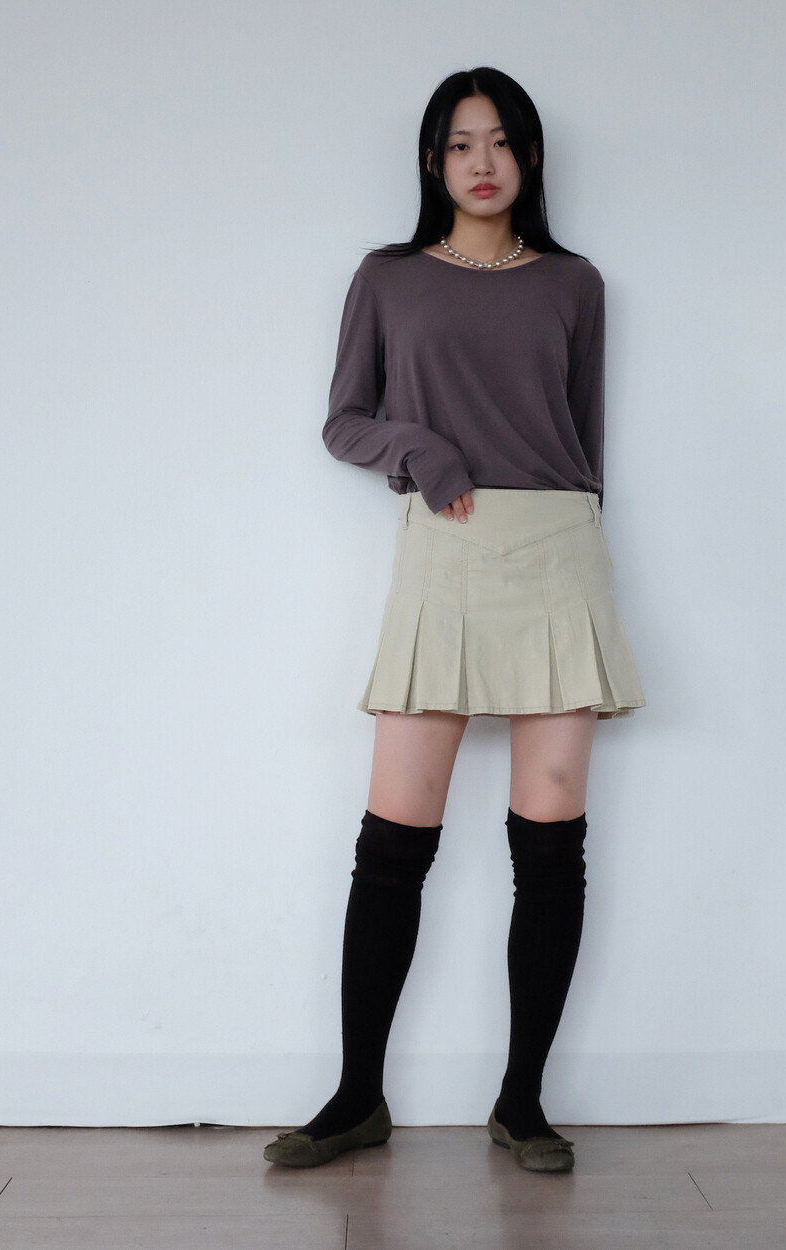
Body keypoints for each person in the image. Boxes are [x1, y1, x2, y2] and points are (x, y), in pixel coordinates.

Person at [264, 66, 645, 1175]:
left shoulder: (574, 283)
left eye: (502, 141)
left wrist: (579, 531)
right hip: (447, 546)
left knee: (551, 843)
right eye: (461, 143)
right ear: (433, 161)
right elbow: (344, 419)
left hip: (559, 551)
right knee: (394, 839)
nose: (483, 162)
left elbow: (586, 440)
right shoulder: (387, 278)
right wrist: (419, 448)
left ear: (530, 157)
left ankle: (522, 1102)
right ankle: (356, 1097)